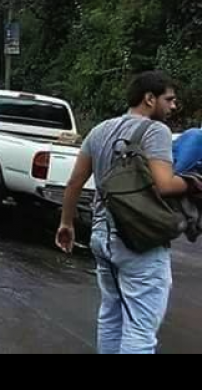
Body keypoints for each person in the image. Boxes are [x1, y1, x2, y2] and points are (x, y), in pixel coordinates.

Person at [56, 71, 193, 354]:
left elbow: (74, 183)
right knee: (140, 328)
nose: (173, 106)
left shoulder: (100, 130)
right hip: (137, 238)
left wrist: (66, 223)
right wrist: (194, 182)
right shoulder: (156, 131)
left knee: (112, 316)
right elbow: (164, 184)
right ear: (149, 98)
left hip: (101, 235)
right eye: (169, 99)